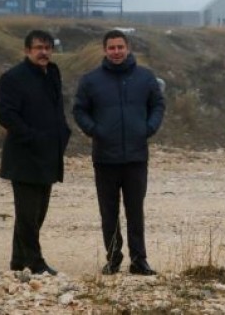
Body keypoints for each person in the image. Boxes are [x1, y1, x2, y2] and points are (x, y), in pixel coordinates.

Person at [73, 29, 165, 275]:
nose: (116, 52)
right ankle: (113, 258)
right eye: (111, 48)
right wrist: (94, 130)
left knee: (135, 211)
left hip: (136, 156)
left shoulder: (145, 77)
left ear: (128, 48)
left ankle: (139, 260)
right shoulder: (91, 80)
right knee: (109, 212)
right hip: (105, 157)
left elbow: (158, 104)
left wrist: (149, 127)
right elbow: (79, 110)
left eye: (120, 47)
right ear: (105, 50)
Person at [0, 29, 71, 275]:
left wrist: (63, 133)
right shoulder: (12, 78)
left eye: (47, 48)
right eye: (39, 48)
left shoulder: (52, 73)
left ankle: (18, 260)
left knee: (37, 213)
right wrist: (32, 137)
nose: (44, 52)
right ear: (27, 50)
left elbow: (57, 108)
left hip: (49, 154)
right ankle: (35, 262)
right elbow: (6, 116)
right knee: (28, 214)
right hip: (24, 156)